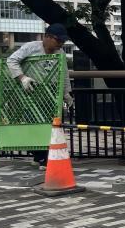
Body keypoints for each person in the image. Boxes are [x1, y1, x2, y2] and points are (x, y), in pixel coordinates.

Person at [6, 23, 74, 165]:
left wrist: (67, 93)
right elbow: (11, 60)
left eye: (63, 41)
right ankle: (41, 157)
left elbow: (64, 74)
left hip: (52, 92)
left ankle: (46, 157)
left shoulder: (60, 53)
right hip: (32, 91)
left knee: (54, 125)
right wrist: (22, 78)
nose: (61, 44)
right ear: (47, 37)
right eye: (58, 40)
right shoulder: (31, 47)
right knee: (35, 124)